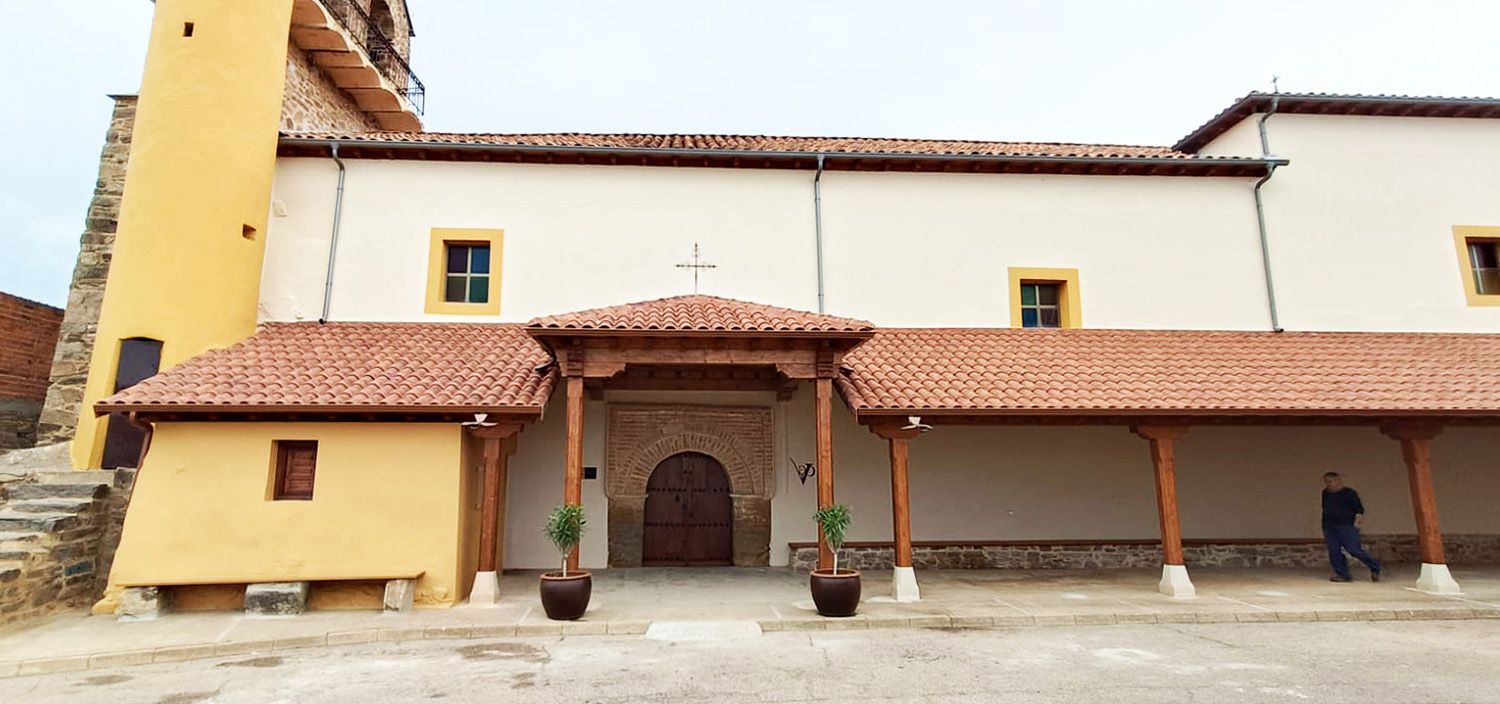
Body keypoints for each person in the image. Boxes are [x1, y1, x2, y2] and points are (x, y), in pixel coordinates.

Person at [1321, 471, 1382, 583]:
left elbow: (1359, 510)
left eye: (1331, 481)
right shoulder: (1325, 493)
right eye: (1327, 481)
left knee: (1354, 550)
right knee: (1334, 551)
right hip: (1330, 527)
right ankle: (1343, 574)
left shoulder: (1349, 493)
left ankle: (1375, 567)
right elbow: (1325, 509)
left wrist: (1356, 524)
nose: (1329, 484)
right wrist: (1324, 527)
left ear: (1338, 481)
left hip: (1347, 526)